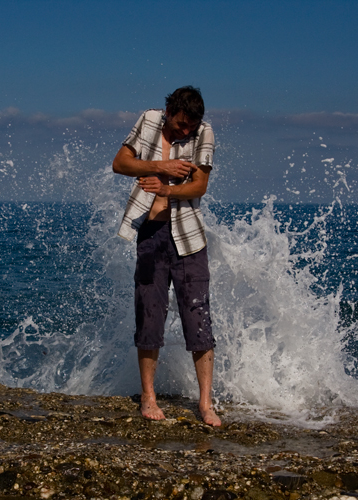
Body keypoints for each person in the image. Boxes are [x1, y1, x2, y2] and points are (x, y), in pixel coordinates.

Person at [112, 86, 221, 427]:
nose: (185, 130)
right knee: (149, 314)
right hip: (150, 233)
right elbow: (120, 163)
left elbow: (199, 185)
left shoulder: (204, 132)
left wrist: (168, 188)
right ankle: (148, 397)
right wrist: (160, 166)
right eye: (181, 123)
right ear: (170, 111)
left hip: (189, 238)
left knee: (198, 319)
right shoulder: (148, 120)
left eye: (191, 125)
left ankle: (205, 403)